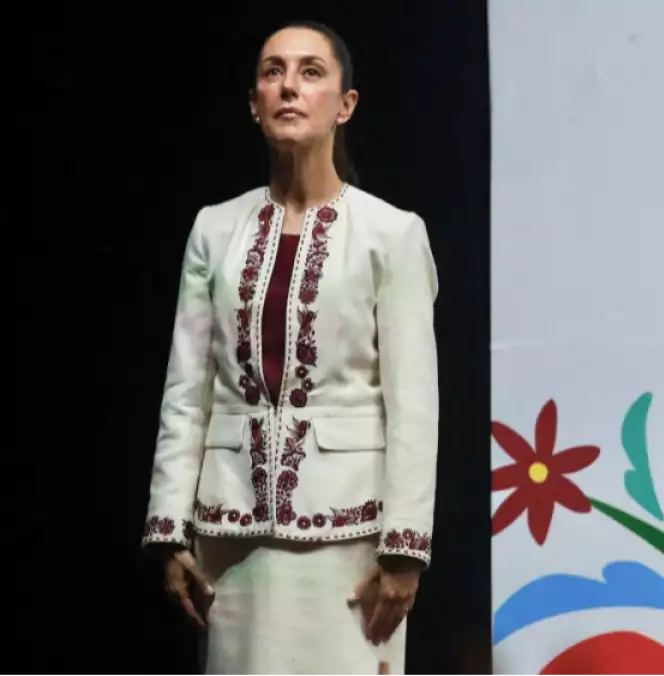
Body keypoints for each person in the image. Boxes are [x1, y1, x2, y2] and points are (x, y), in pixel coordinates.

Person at [141, 20, 439, 676]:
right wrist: (168, 527)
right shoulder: (214, 229)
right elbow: (187, 389)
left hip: (352, 541)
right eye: (272, 72)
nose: (288, 87)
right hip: (231, 539)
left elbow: (414, 403)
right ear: (254, 103)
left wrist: (405, 546)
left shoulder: (391, 234)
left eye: (310, 72)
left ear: (346, 104)